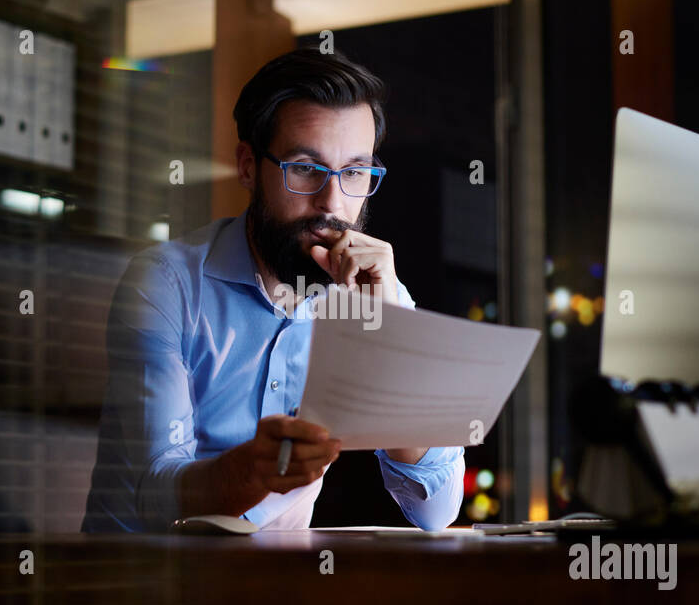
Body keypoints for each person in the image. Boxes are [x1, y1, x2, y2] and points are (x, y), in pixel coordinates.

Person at [82, 47, 465, 533]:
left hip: (275, 594)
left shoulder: (375, 293)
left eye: (353, 172)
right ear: (248, 166)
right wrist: (248, 473)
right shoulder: (166, 284)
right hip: (142, 592)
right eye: (305, 168)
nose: (333, 202)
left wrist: (389, 335)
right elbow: (153, 495)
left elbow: (436, 511)